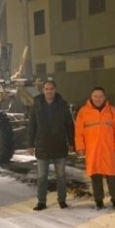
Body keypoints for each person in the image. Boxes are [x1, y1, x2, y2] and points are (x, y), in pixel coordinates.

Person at [27, 80, 75, 211]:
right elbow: (32, 125)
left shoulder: (62, 105)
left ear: (55, 89)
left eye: (51, 89)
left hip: (59, 145)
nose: (49, 91)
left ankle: (62, 200)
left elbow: (69, 125)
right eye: (46, 89)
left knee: (61, 176)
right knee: (42, 177)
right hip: (43, 145)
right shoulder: (36, 104)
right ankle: (41, 201)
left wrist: (71, 142)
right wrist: (30, 144)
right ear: (43, 90)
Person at [75, 87, 115, 210]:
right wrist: (80, 147)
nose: (98, 99)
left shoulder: (111, 111)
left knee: (112, 177)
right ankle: (99, 200)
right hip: (93, 151)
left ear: (104, 97)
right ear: (91, 97)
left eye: (100, 96)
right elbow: (78, 132)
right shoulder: (83, 111)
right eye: (95, 96)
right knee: (95, 176)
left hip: (108, 150)